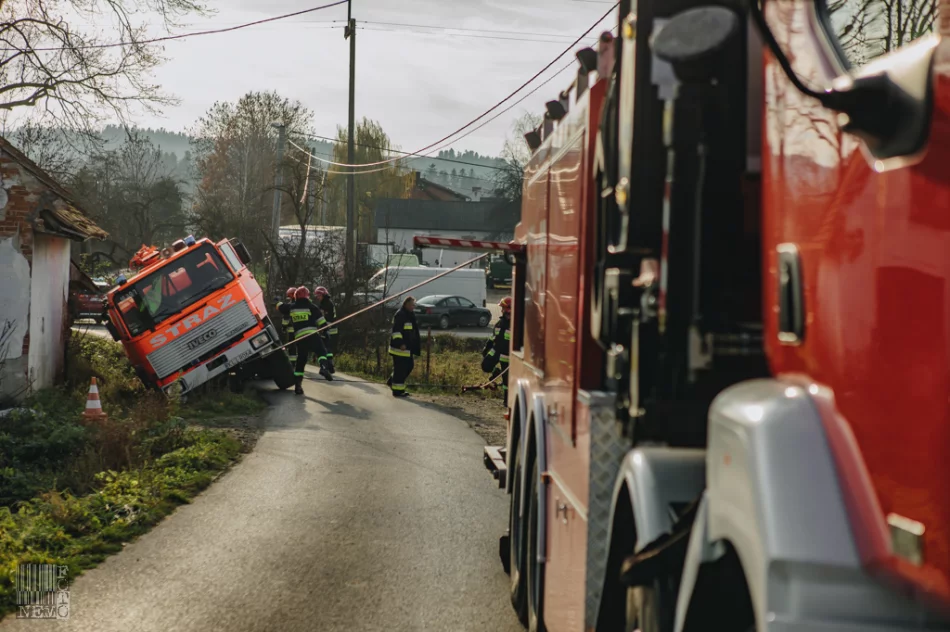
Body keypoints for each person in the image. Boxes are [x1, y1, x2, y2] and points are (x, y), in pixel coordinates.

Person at [286, 286, 332, 395]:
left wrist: (278, 304)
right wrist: (326, 331)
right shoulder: (312, 307)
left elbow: (283, 308)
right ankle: (324, 367)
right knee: (321, 351)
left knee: (301, 361)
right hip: (312, 335)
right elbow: (321, 321)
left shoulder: (292, 307)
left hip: (300, 338)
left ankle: (298, 386)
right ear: (307, 296)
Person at [482, 296, 512, 405]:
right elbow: (493, 337)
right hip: (496, 351)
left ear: (509, 309)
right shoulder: (500, 323)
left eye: (503, 307)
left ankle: (507, 400)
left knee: (506, 380)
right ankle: (496, 372)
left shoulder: (516, 324)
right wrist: (487, 347)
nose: (501, 310)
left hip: (507, 356)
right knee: (485, 365)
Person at [389, 296, 420, 397]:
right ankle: (397, 391)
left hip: (407, 348)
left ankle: (392, 381)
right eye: (411, 305)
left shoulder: (409, 315)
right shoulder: (400, 315)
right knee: (400, 369)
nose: (413, 307)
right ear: (406, 304)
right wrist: (400, 343)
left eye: (413, 305)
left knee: (409, 366)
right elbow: (396, 331)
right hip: (399, 349)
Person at [314, 286, 337, 374]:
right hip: (331, 328)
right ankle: (330, 365)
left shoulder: (325, 304)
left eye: (318, 295)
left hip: (327, 327)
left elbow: (324, 317)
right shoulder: (327, 302)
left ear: (323, 295)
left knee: (324, 347)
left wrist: (322, 328)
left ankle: (327, 366)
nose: (317, 297)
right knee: (328, 346)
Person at [276, 287, 298, 365]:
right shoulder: (301, 304)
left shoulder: (289, 306)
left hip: (292, 331)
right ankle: (298, 361)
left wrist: (284, 327)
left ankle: (292, 362)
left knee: (292, 347)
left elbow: (286, 319)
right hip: (302, 329)